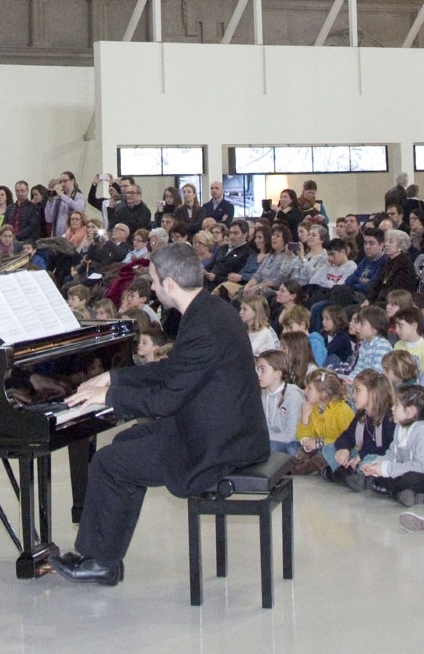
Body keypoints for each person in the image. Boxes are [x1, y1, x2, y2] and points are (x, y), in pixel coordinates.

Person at [55, 242, 269, 586]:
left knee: (111, 463)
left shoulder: (202, 324)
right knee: (126, 443)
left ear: (170, 284)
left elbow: (166, 400)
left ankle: (100, 561)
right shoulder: (210, 309)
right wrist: (114, 376)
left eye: (154, 281)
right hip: (227, 425)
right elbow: (174, 372)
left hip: (220, 443)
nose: (151, 287)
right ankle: (105, 554)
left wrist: (108, 397)